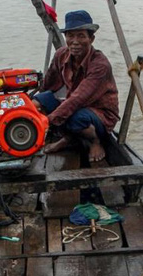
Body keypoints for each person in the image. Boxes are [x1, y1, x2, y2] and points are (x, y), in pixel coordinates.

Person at [33, 10, 120, 162]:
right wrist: (32, 107)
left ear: (91, 39)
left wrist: (47, 121)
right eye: (70, 36)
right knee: (39, 100)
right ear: (65, 37)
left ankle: (95, 141)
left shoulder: (100, 65)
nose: (75, 41)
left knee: (76, 118)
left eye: (81, 36)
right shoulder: (61, 54)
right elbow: (48, 85)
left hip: (99, 115)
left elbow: (78, 99)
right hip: (74, 106)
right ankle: (69, 138)